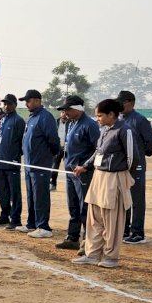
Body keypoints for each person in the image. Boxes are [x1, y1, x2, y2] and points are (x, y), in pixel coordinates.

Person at [72, 99, 136, 269]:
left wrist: (123, 176)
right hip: (98, 177)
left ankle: (110, 257)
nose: (97, 118)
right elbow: (98, 152)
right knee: (94, 218)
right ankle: (92, 254)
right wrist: (85, 166)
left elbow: (132, 158)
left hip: (114, 178)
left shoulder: (125, 130)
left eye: (100, 115)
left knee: (112, 221)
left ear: (111, 114)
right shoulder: (104, 130)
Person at [55, 95, 100, 251]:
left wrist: (86, 166)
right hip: (70, 172)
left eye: (68, 109)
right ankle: (72, 238)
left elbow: (98, 150)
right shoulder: (72, 124)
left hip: (83, 174)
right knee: (73, 206)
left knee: (84, 208)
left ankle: (87, 242)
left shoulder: (90, 125)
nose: (65, 112)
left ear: (78, 109)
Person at [18, 89, 60, 238]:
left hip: (40, 164)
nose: (26, 104)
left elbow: (53, 140)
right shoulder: (32, 117)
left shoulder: (45, 117)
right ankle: (32, 223)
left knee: (41, 195)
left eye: (28, 101)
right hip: (30, 164)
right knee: (31, 195)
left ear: (37, 100)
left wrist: (51, 156)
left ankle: (43, 226)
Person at [118, 90, 152, 244]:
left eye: (122, 102)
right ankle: (125, 229)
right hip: (123, 166)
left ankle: (137, 233)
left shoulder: (140, 120)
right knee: (123, 199)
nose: (119, 105)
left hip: (137, 167)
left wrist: (141, 154)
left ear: (130, 103)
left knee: (137, 200)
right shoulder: (120, 119)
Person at [0, 94, 25, 230]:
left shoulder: (19, 121)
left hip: (12, 163)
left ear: (15, 105)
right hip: (0, 162)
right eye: (4, 104)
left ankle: (15, 219)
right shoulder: (2, 119)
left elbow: (22, 142)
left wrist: (16, 157)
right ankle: (4, 215)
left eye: (9, 104)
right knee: (3, 192)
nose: (6, 106)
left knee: (14, 192)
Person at [50, 113, 69, 192]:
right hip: (57, 148)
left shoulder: (71, 122)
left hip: (67, 149)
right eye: (63, 112)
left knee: (68, 167)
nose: (64, 114)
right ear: (60, 113)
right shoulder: (55, 122)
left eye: (66, 112)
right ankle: (53, 184)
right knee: (54, 167)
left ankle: (70, 185)